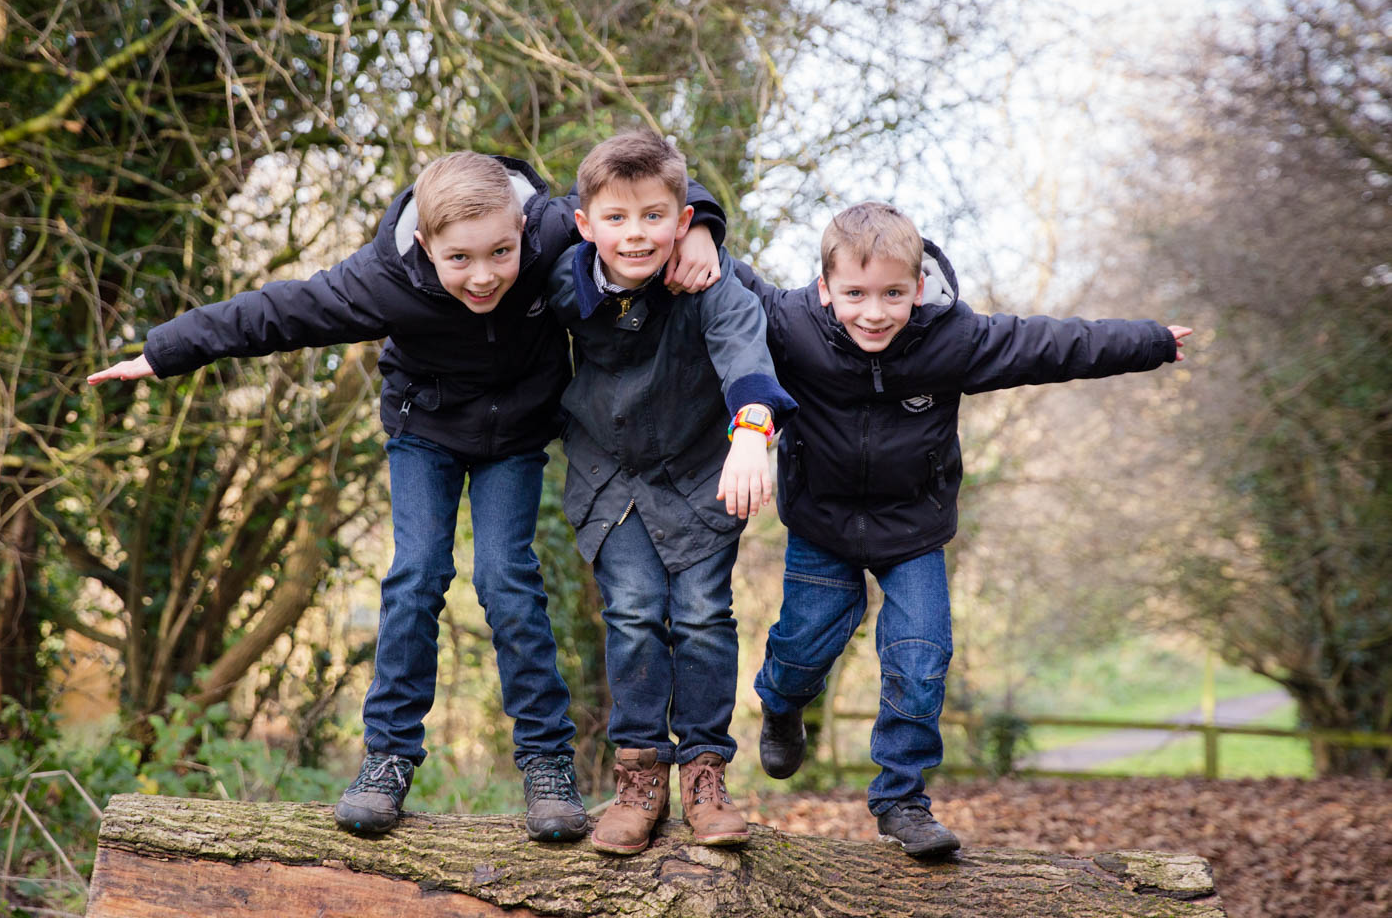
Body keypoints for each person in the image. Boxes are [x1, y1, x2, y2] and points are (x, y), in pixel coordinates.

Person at [87, 151, 728, 841]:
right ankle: (387, 758)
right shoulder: (383, 279)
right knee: (417, 575)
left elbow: (641, 193)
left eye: (501, 254)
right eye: (459, 260)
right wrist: (165, 350)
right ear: (425, 245)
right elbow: (275, 312)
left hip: (515, 436)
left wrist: (704, 227)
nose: (483, 276)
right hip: (424, 431)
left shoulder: (550, 230)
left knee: (506, 580)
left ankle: (547, 765)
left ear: (525, 229)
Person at [733, 202, 1191, 857]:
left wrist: (1148, 341)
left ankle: (902, 802)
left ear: (919, 287)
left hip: (913, 528)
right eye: (855, 294)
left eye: (893, 293)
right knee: (804, 646)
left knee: (921, 661)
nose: (873, 311)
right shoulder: (790, 324)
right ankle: (782, 703)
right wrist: (694, 224)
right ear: (825, 287)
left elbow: (1053, 344)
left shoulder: (953, 339)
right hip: (823, 524)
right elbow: (718, 268)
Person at [545, 130, 797, 855]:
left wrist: (752, 427)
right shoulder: (565, 279)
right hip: (609, 474)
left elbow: (745, 347)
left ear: (683, 220)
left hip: (697, 475)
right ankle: (639, 773)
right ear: (585, 225)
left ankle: (705, 770)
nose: (636, 234)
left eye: (655, 216)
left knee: (701, 616)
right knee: (630, 613)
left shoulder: (713, 279)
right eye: (617, 220)